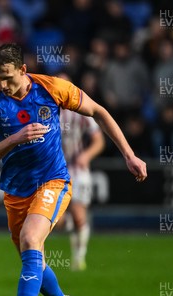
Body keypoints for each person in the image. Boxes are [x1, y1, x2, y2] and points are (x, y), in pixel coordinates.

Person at [0, 43, 147, 296]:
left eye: (9, 78)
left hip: (53, 181)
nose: (3, 85)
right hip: (15, 190)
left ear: (23, 70)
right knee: (31, 256)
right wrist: (14, 139)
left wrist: (130, 155)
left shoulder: (52, 88)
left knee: (30, 239)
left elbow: (99, 112)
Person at [58, 74, 105, 271]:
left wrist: (86, 156)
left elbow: (99, 140)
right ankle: (69, 224)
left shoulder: (79, 110)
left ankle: (79, 256)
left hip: (77, 170)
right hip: (54, 170)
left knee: (78, 215)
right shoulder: (43, 110)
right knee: (57, 222)